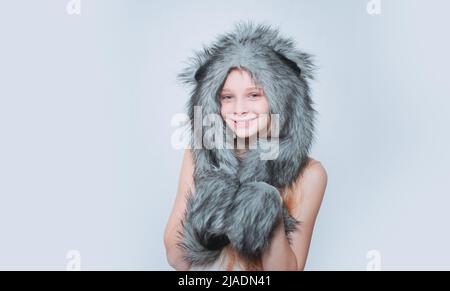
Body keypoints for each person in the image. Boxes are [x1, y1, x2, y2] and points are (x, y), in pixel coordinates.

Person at [165, 22, 327, 271]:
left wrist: (267, 210)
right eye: (227, 97)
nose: (239, 109)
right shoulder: (199, 155)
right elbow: (177, 260)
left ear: (281, 99)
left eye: (254, 95)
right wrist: (210, 206)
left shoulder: (310, 174)